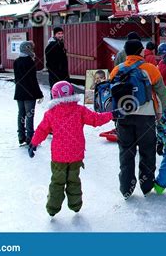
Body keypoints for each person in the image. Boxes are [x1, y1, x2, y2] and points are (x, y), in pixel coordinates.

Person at [28, 81, 113, 216]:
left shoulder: (51, 113)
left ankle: (52, 208)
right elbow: (96, 119)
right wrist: (111, 114)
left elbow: (42, 129)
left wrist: (33, 143)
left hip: (58, 156)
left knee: (57, 182)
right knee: (74, 180)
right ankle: (75, 205)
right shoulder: (79, 110)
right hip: (76, 154)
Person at [110, 39, 166, 199]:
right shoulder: (150, 69)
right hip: (146, 117)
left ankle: (126, 188)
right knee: (147, 151)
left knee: (126, 152)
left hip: (123, 116)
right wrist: (161, 112)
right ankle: (146, 185)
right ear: (139, 51)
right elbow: (161, 92)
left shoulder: (117, 70)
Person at [14, 41, 43, 146]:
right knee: (29, 115)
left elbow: (17, 79)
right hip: (30, 93)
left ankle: (21, 136)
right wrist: (39, 94)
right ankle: (30, 138)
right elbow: (33, 80)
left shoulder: (16, 61)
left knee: (21, 114)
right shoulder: (30, 62)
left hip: (19, 92)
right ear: (28, 49)